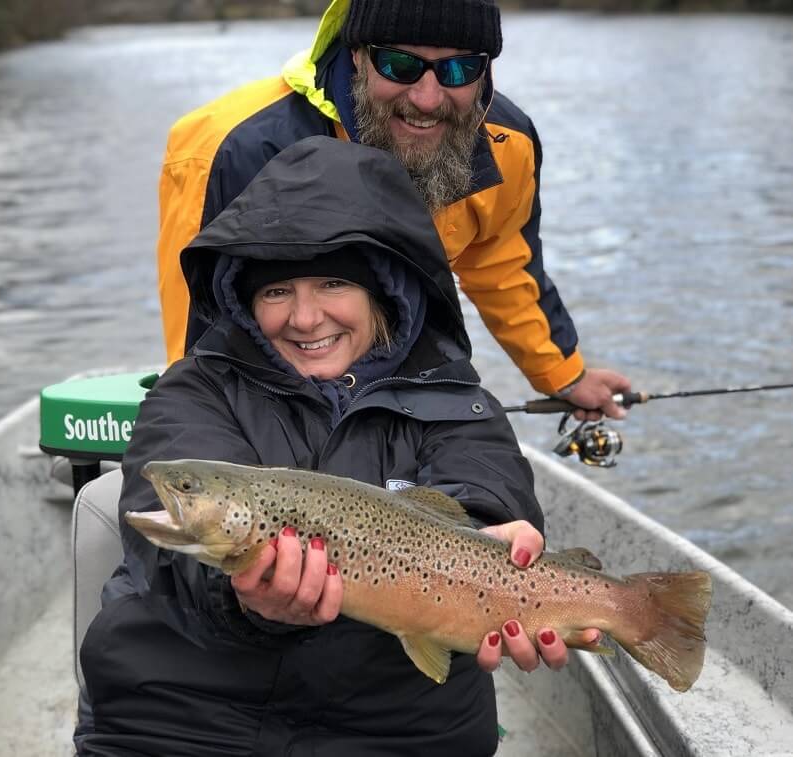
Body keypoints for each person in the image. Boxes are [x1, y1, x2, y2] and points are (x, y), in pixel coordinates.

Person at [78, 137, 600, 757]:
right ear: (245, 301)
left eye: (332, 283)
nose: (304, 318)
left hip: (397, 731)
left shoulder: (458, 400)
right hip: (183, 721)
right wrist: (243, 598)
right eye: (275, 291)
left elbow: (487, 490)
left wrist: (492, 543)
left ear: (383, 291)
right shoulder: (193, 391)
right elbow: (169, 561)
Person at [155, 0, 631, 421]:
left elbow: (502, 264)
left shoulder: (512, 143)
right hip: (271, 393)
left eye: (458, 70)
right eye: (400, 65)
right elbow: (203, 341)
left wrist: (562, 375)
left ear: (485, 70)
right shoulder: (228, 149)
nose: (426, 99)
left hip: (400, 383)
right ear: (358, 55)